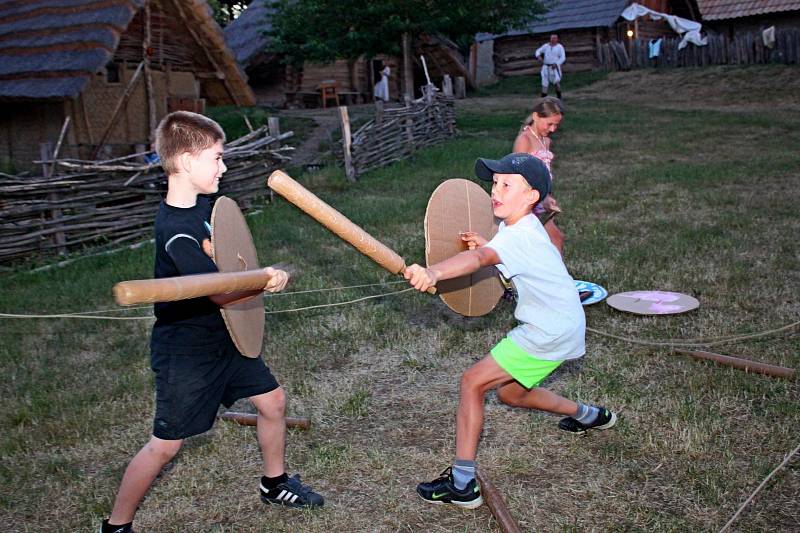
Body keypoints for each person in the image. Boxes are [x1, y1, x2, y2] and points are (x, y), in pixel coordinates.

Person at [100, 111, 323, 533]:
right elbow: (218, 290)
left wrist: (244, 271)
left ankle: (274, 484)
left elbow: (219, 252)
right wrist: (264, 281)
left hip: (226, 335)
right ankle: (116, 525)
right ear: (185, 161)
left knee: (272, 401)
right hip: (187, 352)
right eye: (217, 158)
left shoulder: (203, 209)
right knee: (165, 446)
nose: (223, 166)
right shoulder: (174, 231)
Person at [404, 153, 616, 509]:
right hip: (564, 325)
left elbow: (480, 261)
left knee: (472, 382)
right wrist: (485, 245)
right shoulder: (519, 228)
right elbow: (493, 254)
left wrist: (435, 273)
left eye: (506, 185)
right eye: (494, 183)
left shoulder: (516, 238)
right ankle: (590, 415)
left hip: (546, 330)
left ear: (531, 196)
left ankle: (462, 483)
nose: (495, 191)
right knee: (512, 395)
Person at [512, 96, 565, 254]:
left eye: (557, 125)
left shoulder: (545, 141)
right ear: (536, 116)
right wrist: (540, 197)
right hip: (527, 201)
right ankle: (557, 277)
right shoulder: (524, 140)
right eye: (550, 124)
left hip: (540, 198)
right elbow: (517, 174)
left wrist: (547, 195)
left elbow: (544, 172)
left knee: (546, 242)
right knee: (555, 239)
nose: (553, 129)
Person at [535, 34, 565, 99]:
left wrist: (556, 64)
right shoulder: (546, 46)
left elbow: (563, 58)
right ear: (550, 39)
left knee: (556, 82)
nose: (553, 39)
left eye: (555, 38)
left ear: (557, 39)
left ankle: (559, 97)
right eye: (552, 38)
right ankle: (543, 98)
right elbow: (537, 51)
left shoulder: (559, 47)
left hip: (554, 67)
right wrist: (538, 56)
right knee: (544, 82)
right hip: (545, 67)